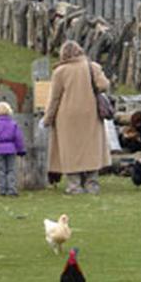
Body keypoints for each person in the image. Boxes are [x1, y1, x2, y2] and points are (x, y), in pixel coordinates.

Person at [43, 40, 111, 195]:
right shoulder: (91, 66)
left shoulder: (60, 71)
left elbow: (54, 98)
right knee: (91, 149)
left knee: (70, 151)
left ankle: (74, 185)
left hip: (67, 117)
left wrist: (48, 118)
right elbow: (104, 85)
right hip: (90, 114)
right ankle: (92, 184)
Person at [0, 101, 26, 196]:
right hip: (11, 149)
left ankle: (2, 190)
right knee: (11, 169)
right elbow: (18, 138)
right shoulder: (13, 124)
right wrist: (21, 150)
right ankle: (12, 189)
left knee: (1, 170)